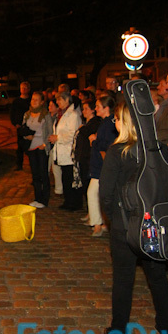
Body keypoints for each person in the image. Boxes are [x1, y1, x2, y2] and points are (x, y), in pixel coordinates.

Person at [100, 102, 168, 334]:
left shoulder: (117, 152)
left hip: (125, 225)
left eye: (116, 120)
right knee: (157, 277)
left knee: (123, 279)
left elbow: (106, 195)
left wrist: (115, 221)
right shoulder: (158, 149)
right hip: (152, 224)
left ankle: (119, 333)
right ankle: (166, 328)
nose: (115, 124)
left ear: (124, 122)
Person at [86, 95, 117, 237]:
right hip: (100, 164)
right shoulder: (105, 122)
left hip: (103, 165)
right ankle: (102, 222)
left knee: (92, 193)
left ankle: (97, 224)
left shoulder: (109, 124)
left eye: (98, 106)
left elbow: (107, 145)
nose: (95, 108)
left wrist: (94, 141)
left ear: (106, 108)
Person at [48, 91, 83, 210]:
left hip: (69, 152)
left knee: (70, 178)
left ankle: (74, 203)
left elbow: (73, 134)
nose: (57, 102)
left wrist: (58, 138)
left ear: (67, 100)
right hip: (61, 151)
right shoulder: (61, 114)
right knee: (65, 178)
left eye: (59, 100)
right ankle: (68, 201)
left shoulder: (73, 115)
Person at [22, 91, 53, 208]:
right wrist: (26, 136)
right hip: (31, 147)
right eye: (32, 99)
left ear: (41, 102)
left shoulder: (45, 115)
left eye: (36, 99)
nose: (34, 101)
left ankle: (44, 199)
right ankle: (37, 197)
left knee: (43, 173)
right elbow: (23, 128)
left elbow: (50, 131)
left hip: (41, 147)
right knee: (35, 174)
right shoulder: (27, 114)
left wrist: (45, 144)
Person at [73, 99, 102, 218]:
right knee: (85, 185)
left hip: (88, 158)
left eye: (85, 109)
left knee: (89, 186)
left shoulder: (94, 123)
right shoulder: (87, 123)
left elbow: (85, 133)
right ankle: (90, 212)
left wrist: (81, 129)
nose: (83, 111)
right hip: (83, 157)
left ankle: (93, 213)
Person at [10, 81, 31, 170]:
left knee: (30, 145)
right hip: (20, 127)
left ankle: (32, 164)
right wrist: (15, 123)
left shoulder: (30, 100)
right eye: (22, 88)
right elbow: (12, 113)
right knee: (20, 146)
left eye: (25, 88)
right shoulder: (16, 101)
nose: (24, 90)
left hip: (29, 126)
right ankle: (19, 164)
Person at [47, 98, 63, 195]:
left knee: (56, 168)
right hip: (50, 145)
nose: (49, 107)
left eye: (52, 105)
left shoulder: (58, 118)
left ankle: (59, 188)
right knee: (48, 166)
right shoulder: (48, 117)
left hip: (55, 145)